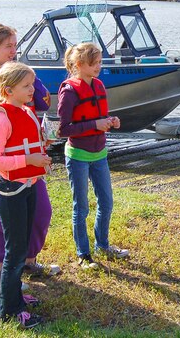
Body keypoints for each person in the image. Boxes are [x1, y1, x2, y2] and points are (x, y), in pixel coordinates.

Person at [0, 23, 59, 279]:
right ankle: (3, 270)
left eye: (16, 46)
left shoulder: (18, 74)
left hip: (28, 157)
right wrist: (8, 82)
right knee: (1, 215)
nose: (14, 51)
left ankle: (28, 262)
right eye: (9, 46)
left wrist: (27, 76)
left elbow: (40, 100)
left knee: (40, 210)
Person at [0, 62, 52, 329]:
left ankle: (17, 297)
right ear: (8, 90)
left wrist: (42, 153)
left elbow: (28, 142)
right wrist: (28, 158)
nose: (32, 90)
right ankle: (9, 311)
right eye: (26, 86)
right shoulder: (1, 118)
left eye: (32, 84)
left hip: (29, 185)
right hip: (11, 190)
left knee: (21, 247)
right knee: (14, 251)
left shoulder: (25, 110)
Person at [57, 42, 129, 269]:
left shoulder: (98, 85)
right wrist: (94, 124)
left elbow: (99, 115)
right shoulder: (69, 91)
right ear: (79, 65)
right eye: (94, 63)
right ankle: (83, 255)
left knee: (106, 202)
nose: (99, 66)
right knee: (81, 207)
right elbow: (63, 129)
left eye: (99, 62)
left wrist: (110, 121)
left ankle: (103, 245)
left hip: (99, 153)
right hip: (78, 154)